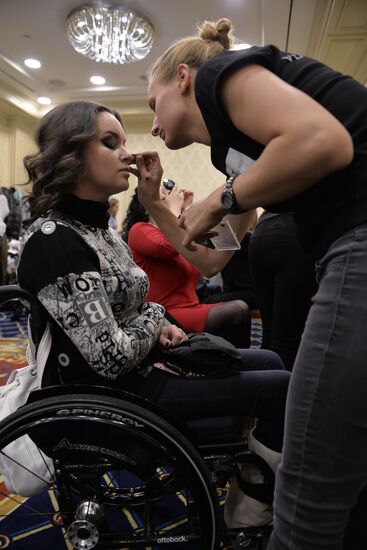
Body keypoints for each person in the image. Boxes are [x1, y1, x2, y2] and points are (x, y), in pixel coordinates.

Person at [146, 18, 367, 550]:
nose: (152, 126)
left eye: (151, 104)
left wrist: (220, 199)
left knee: (309, 475)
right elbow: (214, 261)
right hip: (342, 245)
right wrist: (158, 206)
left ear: (181, 79)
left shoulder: (217, 74)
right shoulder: (233, 151)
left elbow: (325, 142)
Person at [18, 101, 290, 530]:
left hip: (142, 371)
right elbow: (112, 357)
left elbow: (142, 305)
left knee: (272, 362)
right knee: (282, 387)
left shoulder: (97, 230)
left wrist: (154, 318)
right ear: (70, 155)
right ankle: (251, 503)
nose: (128, 153)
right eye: (111, 143)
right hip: (113, 394)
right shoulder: (57, 240)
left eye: (124, 141)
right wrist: (157, 319)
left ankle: (249, 479)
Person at [122, 184, 252, 348]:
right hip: (165, 313)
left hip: (192, 307)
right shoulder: (140, 229)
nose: (169, 198)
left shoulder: (178, 231)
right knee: (239, 309)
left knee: (240, 306)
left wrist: (188, 209)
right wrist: (175, 210)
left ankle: (229, 360)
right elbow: (169, 247)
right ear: (148, 207)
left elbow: (205, 259)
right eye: (162, 198)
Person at [249, 211, 317, 370]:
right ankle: (281, 393)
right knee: (289, 344)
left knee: (270, 337)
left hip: (262, 229)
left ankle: (263, 391)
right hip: (294, 229)